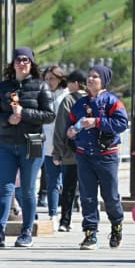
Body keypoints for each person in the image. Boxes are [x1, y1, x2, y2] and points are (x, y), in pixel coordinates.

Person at [67, 65, 128, 250]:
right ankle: (90, 234)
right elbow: (70, 124)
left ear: (104, 80)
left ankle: (116, 226)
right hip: (84, 155)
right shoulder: (79, 103)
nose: (91, 79)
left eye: (95, 76)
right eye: (89, 76)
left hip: (106, 156)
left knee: (110, 196)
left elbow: (122, 123)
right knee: (87, 197)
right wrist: (70, 132)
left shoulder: (112, 101)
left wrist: (97, 122)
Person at [0, 47, 55, 247]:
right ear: (12, 63)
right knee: (4, 189)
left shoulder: (41, 87)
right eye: (18, 60)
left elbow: (49, 115)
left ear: (32, 63)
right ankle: (0, 231)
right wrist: (8, 119)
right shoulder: (3, 87)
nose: (22, 63)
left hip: (32, 143)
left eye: (26, 60)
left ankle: (26, 232)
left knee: (28, 190)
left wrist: (24, 113)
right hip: (5, 144)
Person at [52, 70, 87, 232]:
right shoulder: (92, 100)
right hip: (89, 152)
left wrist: (57, 152)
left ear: (76, 84)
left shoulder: (68, 100)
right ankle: (90, 221)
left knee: (68, 188)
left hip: (70, 153)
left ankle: (65, 221)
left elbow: (60, 128)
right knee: (89, 187)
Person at [42, 65, 69, 230]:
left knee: (67, 182)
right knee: (52, 181)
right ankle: (53, 213)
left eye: (52, 78)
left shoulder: (65, 96)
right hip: (47, 146)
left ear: (60, 79)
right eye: (46, 79)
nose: (48, 82)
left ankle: (66, 216)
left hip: (65, 146)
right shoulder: (42, 95)